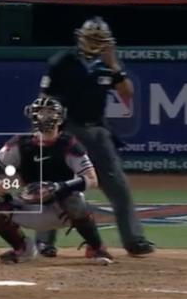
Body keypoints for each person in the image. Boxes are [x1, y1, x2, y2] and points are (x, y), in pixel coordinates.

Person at [33, 17, 155, 258]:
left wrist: (114, 65)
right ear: (81, 38)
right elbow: (43, 98)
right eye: (92, 39)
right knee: (54, 186)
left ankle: (134, 240)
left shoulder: (107, 65)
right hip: (66, 131)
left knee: (118, 187)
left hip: (98, 131)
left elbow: (127, 93)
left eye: (100, 40)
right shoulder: (62, 62)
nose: (95, 44)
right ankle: (44, 242)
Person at [0, 97, 114, 265]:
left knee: (76, 200)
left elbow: (92, 179)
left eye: (49, 113)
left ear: (59, 117)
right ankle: (23, 248)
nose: (45, 117)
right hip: (29, 205)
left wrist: (58, 187)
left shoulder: (68, 144)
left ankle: (96, 247)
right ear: (32, 116)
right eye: (40, 113)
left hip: (61, 208)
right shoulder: (21, 144)